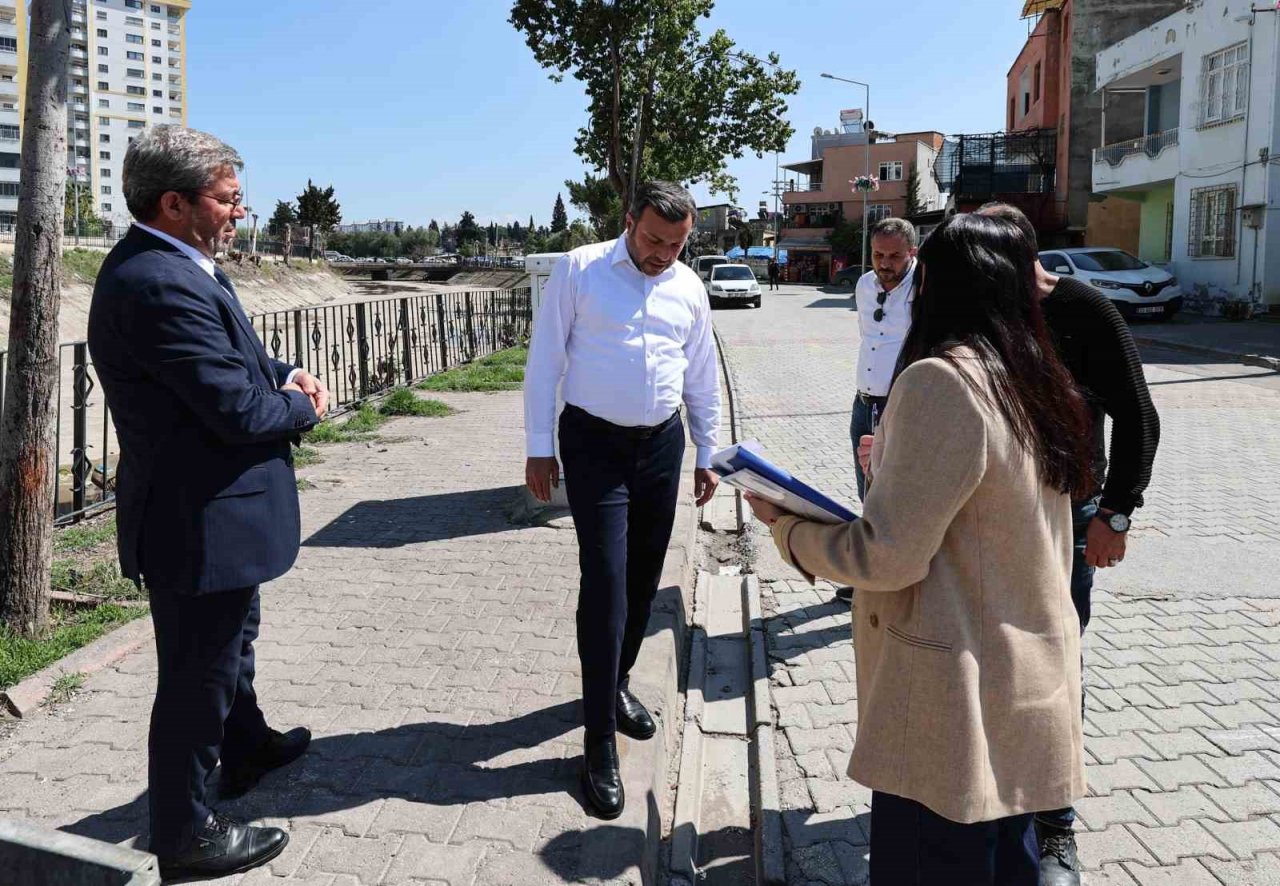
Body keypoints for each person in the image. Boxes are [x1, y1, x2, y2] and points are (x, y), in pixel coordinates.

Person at [746, 213, 1093, 885]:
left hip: (951, 702)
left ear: (938, 286)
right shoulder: (1030, 372)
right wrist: (891, 464)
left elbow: (886, 557)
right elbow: (986, 506)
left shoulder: (941, 380)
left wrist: (785, 528)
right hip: (1020, 684)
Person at [87, 126, 328, 882]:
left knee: (231, 647)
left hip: (217, 515)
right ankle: (184, 834)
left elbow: (236, 365)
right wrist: (303, 407)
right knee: (198, 677)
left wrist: (284, 373)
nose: (239, 212)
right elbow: (234, 409)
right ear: (174, 203)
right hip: (197, 521)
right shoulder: (156, 283)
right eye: (227, 199)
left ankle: (246, 746)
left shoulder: (181, 266)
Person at [524, 181, 721, 819]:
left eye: (676, 244)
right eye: (654, 239)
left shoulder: (688, 287)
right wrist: (538, 447)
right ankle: (598, 738)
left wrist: (708, 451)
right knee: (606, 579)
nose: (663, 254)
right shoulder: (579, 270)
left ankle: (618, 683)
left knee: (643, 579)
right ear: (629, 221)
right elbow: (544, 362)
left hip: (661, 445)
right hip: (594, 446)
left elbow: (701, 372)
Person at [978, 203, 1160, 886]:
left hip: (1068, 514)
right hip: (989, 514)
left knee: (1054, 661)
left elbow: (1139, 416)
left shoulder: (1083, 309)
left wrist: (1115, 514)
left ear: (1021, 255)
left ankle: (1054, 825)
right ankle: (993, 793)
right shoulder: (984, 308)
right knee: (991, 655)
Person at [835, 217, 919, 604]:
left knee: (898, 496)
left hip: (902, 407)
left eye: (894, 256)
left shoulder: (925, 287)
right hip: (864, 404)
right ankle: (872, 573)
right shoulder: (865, 285)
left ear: (912, 252)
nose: (884, 264)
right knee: (867, 493)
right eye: (877, 254)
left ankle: (902, 578)